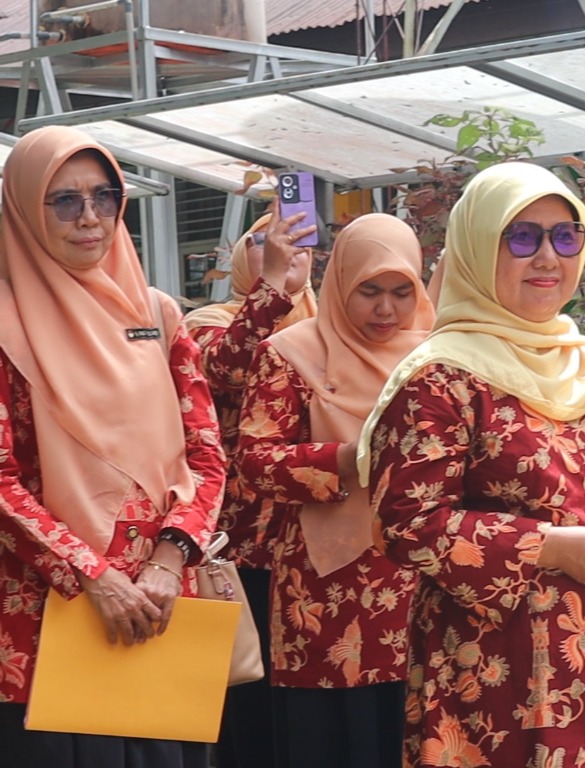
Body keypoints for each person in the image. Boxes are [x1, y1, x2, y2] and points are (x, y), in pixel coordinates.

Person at [359, 161, 585, 767]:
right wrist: (549, 548)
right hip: (497, 678)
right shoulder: (442, 379)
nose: (548, 258)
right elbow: (406, 523)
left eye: (565, 236)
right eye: (522, 238)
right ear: (477, 246)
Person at [0, 126, 226, 767]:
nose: (90, 217)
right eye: (65, 201)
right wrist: (93, 575)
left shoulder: (156, 315)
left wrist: (169, 561)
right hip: (48, 613)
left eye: (105, 196)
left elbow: (207, 456)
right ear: (24, 208)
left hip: (160, 604)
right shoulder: (4, 325)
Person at [235, 213, 434, 768]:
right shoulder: (290, 353)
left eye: (401, 292)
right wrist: (345, 459)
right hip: (323, 597)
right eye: (369, 291)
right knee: (328, 740)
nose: (386, 310)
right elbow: (254, 461)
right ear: (341, 281)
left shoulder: (438, 356)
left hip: (420, 583)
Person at [184, 204, 317, 768]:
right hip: (239, 550)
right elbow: (226, 369)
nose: (284, 249)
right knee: (244, 699)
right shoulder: (206, 323)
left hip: (314, 549)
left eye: (297, 240)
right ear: (243, 256)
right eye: (264, 240)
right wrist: (272, 292)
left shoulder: (330, 325)